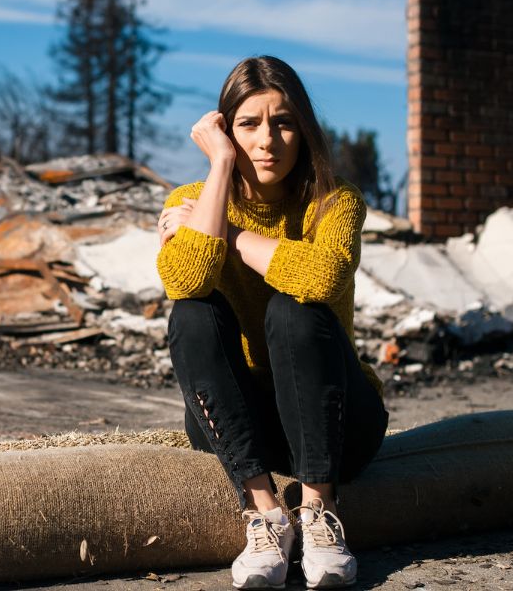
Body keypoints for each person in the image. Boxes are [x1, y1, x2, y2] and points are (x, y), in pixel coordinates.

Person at [155, 55, 388, 590]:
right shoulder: (189, 200)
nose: (267, 141)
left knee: (294, 304)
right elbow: (186, 281)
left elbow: (323, 277)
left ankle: (320, 513)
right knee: (192, 313)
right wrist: (218, 168)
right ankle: (264, 514)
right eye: (248, 125)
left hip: (337, 418)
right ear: (225, 132)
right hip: (248, 424)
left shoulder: (335, 201)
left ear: (303, 128)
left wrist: (231, 238)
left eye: (283, 122)